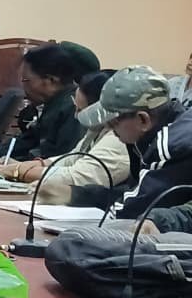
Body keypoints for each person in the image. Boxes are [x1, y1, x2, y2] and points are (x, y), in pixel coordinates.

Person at [77, 66, 192, 220]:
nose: (109, 128)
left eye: (113, 122)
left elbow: (133, 208)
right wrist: (75, 194)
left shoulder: (171, 146)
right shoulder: (149, 135)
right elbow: (134, 190)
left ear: (143, 120)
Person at [0, 70, 131, 205]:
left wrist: (19, 171)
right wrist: (36, 164)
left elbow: (76, 177)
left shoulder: (120, 137)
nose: (75, 116)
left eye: (81, 110)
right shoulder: (99, 127)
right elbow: (73, 158)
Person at [5, 44, 83, 161]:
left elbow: (61, 158)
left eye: (26, 80)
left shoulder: (74, 108)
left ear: (51, 80)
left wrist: (16, 164)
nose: (23, 87)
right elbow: (27, 141)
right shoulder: (54, 103)